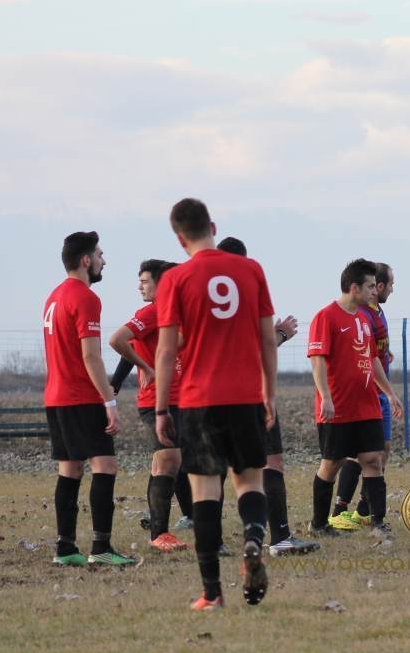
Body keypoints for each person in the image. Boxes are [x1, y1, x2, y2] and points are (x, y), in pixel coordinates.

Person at [154, 199, 278, 612]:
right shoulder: (251, 270)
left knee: (205, 491)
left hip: (199, 400)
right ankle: (254, 539)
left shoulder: (175, 279)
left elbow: (166, 350)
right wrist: (269, 392)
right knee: (250, 483)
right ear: (212, 226)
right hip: (246, 395)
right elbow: (267, 339)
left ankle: (212, 593)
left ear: (179, 238)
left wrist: (161, 409)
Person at [216, 236, 319, 557]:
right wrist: (281, 333)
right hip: (251, 394)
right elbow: (257, 348)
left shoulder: (203, 294)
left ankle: (213, 542)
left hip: (209, 395)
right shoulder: (247, 290)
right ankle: (279, 538)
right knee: (270, 463)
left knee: (214, 470)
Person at [42, 231, 134, 567]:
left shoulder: (53, 296)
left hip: (56, 396)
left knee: (69, 469)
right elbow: (91, 356)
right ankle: (101, 548)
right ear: (85, 260)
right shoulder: (85, 297)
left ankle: (66, 548)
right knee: (104, 465)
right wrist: (109, 401)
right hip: (81, 397)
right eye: (99, 254)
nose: (103, 261)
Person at [307, 259, 404, 537]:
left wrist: (390, 393)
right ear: (354, 288)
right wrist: (326, 397)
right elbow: (317, 360)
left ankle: (377, 522)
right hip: (338, 406)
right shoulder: (326, 317)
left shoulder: (364, 318)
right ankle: (319, 524)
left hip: (367, 405)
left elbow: (372, 358)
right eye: (370, 286)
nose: (375, 291)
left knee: (373, 459)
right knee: (332, 464)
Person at [108, 259, 189, 553]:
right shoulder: (152, 312)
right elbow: (118, 340)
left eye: (144, 281)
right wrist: (146, 367)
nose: (139, 287)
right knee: (168, 459)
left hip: (181, 398)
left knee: (167, 462)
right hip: (156, 400)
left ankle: (164, 527)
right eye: (140, 281)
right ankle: (159, 533)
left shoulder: (173, 313)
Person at [329, 262, 396, 530]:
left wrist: (385, 353)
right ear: (377, 286)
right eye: (390, 284)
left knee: (383, 450)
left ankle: (364, 509)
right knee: (362, 454)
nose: (392, 289)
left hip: (381, 392)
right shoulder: (362, 313)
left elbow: (374, 348)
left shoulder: (377, 311)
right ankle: (340, 508)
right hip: (368, 392)